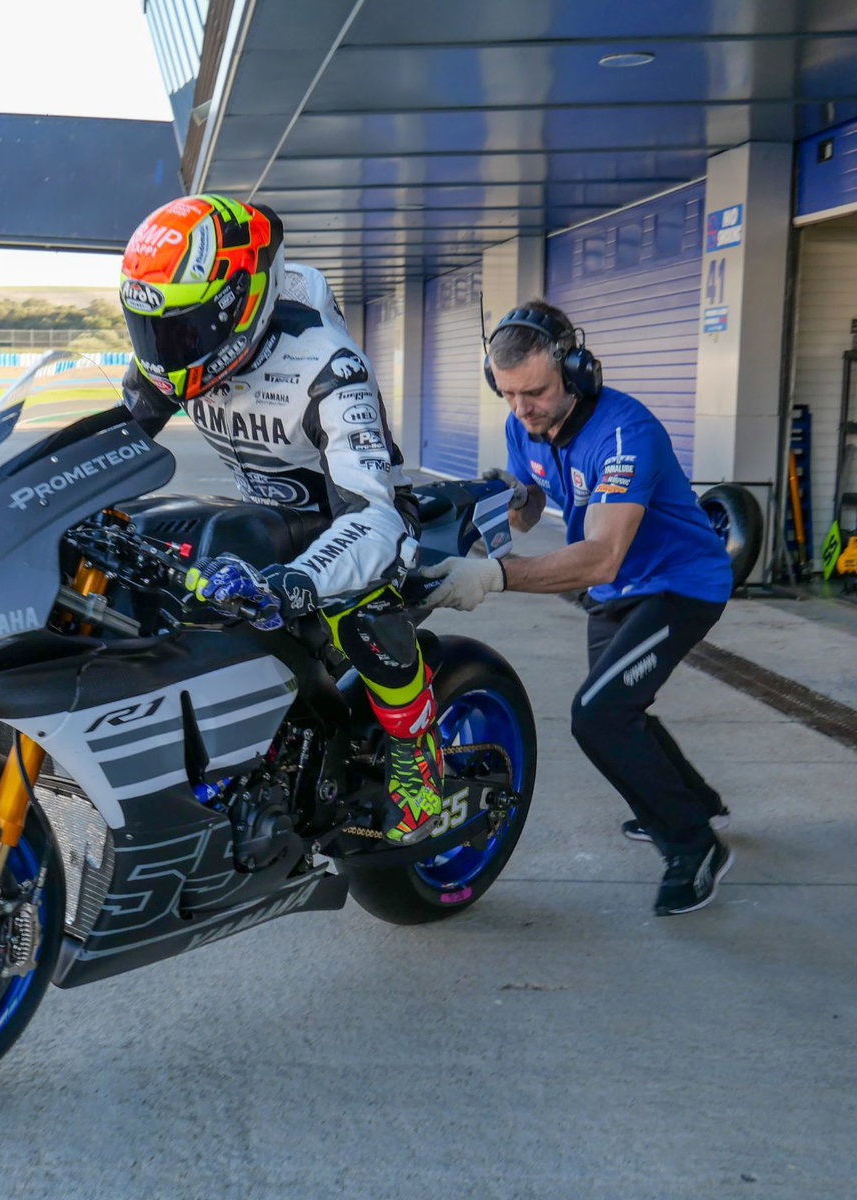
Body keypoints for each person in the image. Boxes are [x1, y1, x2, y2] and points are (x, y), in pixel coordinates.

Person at [115, 193, 441, 844]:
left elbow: (372, 515)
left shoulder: (328, 365)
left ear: (241, 302)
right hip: (266, 512)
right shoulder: (178, 351)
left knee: (364, 613)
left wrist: (300, 582)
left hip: (355, 519)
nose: (163, 351)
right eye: (150, 330)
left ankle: (417, 756)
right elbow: (114, 448)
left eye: (180, 331)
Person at [421, 301, 736, 915]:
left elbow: (601, 557)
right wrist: (511, 498)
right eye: (507, 394)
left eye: (535, 391)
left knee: (599, 715)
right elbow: (532, 505)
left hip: (679, 585)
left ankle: (693, 845)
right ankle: (692, 802)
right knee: (619, 708)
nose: (522, 408)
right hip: (616, 593)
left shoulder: (626, 433)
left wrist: (494, 576)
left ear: (576, 370)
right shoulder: (524, 425)